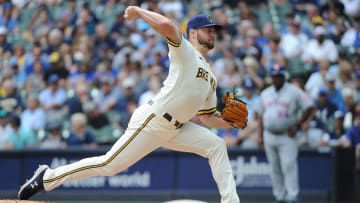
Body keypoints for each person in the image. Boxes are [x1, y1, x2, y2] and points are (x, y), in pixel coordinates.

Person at [18, 7, 243, 203]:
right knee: (109, 165)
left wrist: (231, 121)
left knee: (217, 145)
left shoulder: (212, 77)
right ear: (193, 33)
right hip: (153, 120)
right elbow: (166, 24)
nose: (213, 33)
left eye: (214, 30)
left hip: (178, 128)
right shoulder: (186, 52)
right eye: (208, 29)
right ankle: (48, 177)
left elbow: (207, 117)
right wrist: (138, 11)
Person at [258, 64, 314, 203]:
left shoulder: (294, 91)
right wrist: (260, 135)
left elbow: (310, 107)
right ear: (271, 77)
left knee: (289, 166)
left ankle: (292, 196)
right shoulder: (265, 93)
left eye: (279, 76)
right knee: (274, 167)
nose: (277, 78)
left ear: (284, 76)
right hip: (269, 134)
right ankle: (279, 196)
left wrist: (298, 125)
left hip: (287, 135)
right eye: (275, 76)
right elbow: (260, 116)